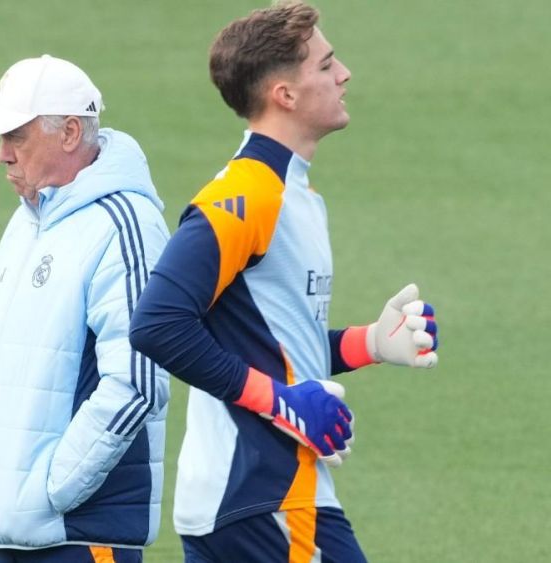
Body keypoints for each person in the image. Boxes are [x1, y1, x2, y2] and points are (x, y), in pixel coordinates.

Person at [129, 3, 440, 562]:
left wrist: (368, 343)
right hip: (264, 498)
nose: (344, 74)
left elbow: (270, 344)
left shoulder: (297, 195)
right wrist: (280, 402)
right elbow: (157, 323)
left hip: (257, 500)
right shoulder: (249, 195)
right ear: (285, 95)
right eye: (325, 65)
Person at [0, 55, 171, 563]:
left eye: (16, 137)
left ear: (71, 132)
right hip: (20, 530)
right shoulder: (29, 219)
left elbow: (137, 382)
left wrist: (54, 490)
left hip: (79, 534)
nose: (2, 155)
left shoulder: (124, 224)